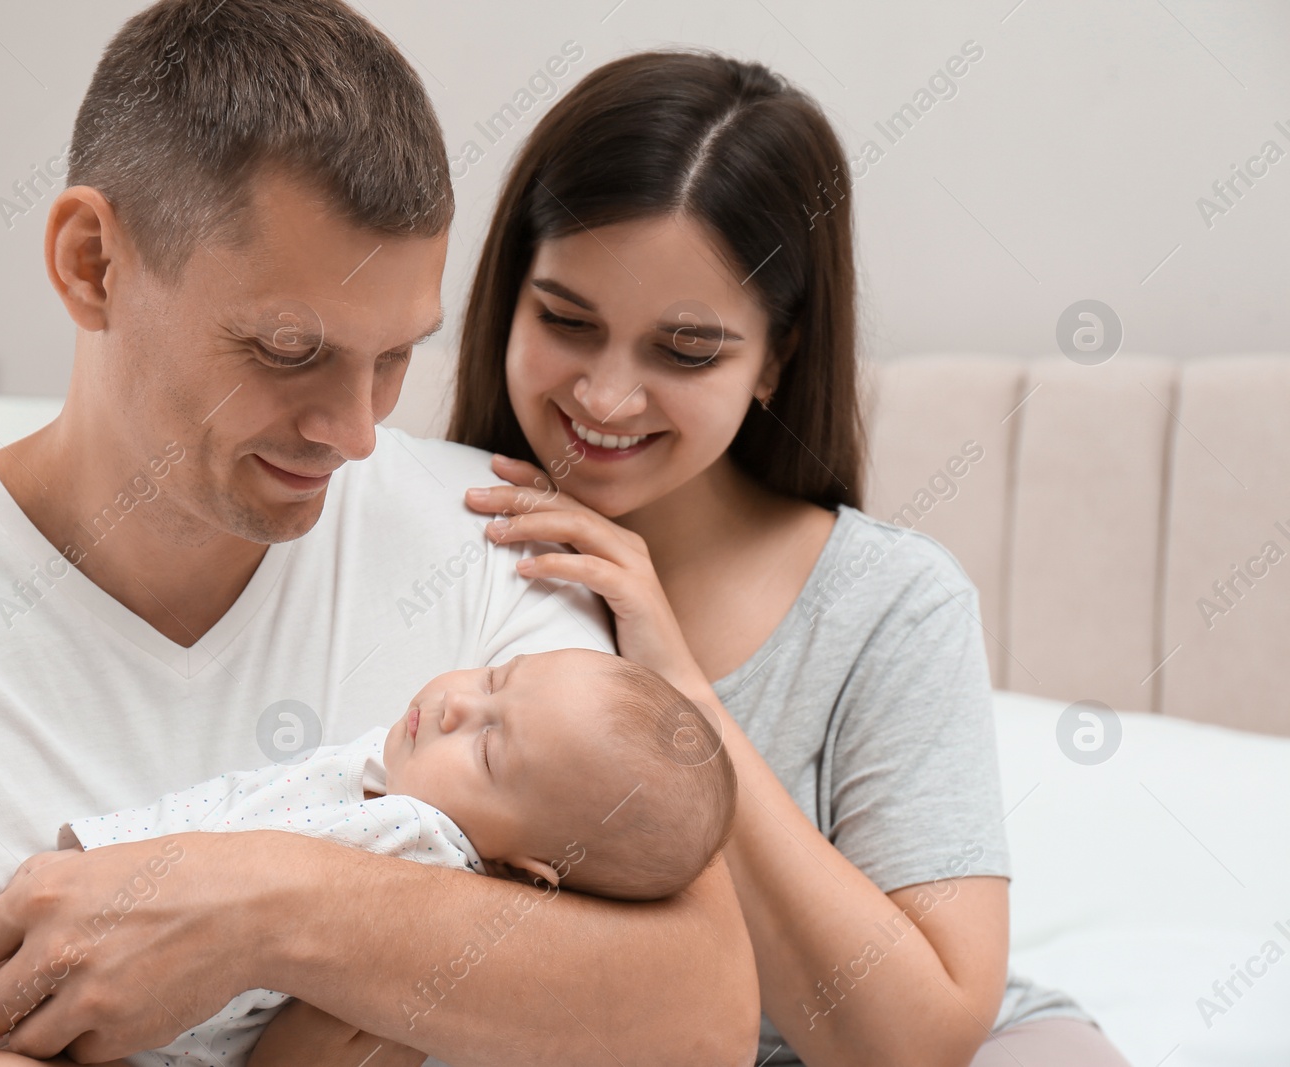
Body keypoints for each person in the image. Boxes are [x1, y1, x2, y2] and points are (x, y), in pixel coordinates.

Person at [0, 4, 764, 1066]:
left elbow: (698, 1013)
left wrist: (247, 907)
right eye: (287, 347)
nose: (354, 431)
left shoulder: (493, 537)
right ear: (91, 264)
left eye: (393, 356)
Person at [449, 50, 1134, 1067]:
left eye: (684, 351)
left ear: (775, 356)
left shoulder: (891, 603)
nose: (603, 397)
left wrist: (678, 689)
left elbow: (914, 1041)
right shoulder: (424, 538)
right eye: (563, 319)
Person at [0, 648, 738, 1067]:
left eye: (491, 744)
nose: (460, 701)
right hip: (31, 973)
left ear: (527, 872)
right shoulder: (391, 774)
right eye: (498, 677)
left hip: (132, 1047)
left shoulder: (425, 852)